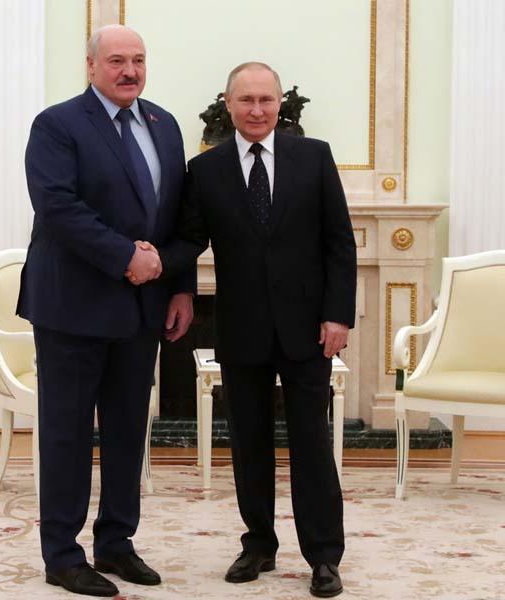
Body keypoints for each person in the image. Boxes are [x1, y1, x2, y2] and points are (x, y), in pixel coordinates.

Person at [143, 62, 356, 598]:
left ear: (279, 103)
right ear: (228, 104)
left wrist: (338, 315)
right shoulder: (205, 169)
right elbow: (189, 239)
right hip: (241, 328)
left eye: (265, 100)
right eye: (246, 100)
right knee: (249, 443)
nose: (257, 110)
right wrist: (151, 260)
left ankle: (324, 556)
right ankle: (258, 544)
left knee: (312, 443)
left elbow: (339, 242)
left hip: (309, 330)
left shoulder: (315, 157)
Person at [17, 24, 194, 598]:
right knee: (67, 435)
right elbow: (58, 206)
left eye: (138, 60)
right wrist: (126, 258)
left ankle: (116, 543)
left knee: (126, 432)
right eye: (117, 60)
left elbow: (176, 216)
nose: (129, 71)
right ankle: (63, 556)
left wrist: (180, 286)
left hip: (141, 310)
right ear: (91, 65)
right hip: (72, 308)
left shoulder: (165, 125)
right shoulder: (57, 124)